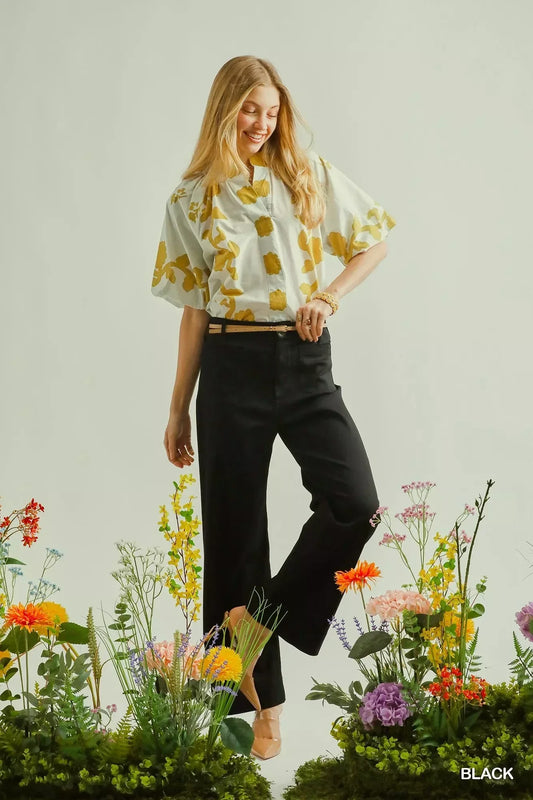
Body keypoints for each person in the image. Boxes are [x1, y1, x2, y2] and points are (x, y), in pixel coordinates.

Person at [151, 55, 395, 759]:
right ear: (224, 110)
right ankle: (260, 716)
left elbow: (372, 239)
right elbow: (193, 313)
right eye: (248, 110)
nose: (261, 122)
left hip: (303, 354)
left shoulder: (306, 175)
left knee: (354, 500)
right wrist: (177, 408)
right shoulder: (189, 199)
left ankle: (252, 620)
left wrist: (327, 295)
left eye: (271, 110)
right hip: (228, 368)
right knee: (235, 540)